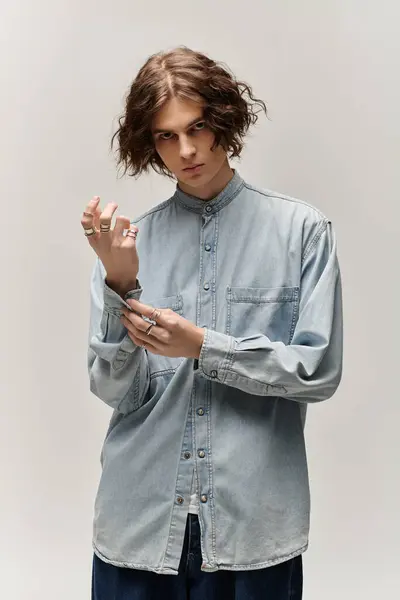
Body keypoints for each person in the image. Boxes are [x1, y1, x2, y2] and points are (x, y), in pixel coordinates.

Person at [82, 46, 343, 600]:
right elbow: (110, 389)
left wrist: (204, 346)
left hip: (254, 532)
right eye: (165, 137)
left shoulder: (303, 232)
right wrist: (121, 284)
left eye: (198, 127)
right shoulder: (127, 247)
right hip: (139, 527)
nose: (186, 149)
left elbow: (318, 372)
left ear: (225, 118)